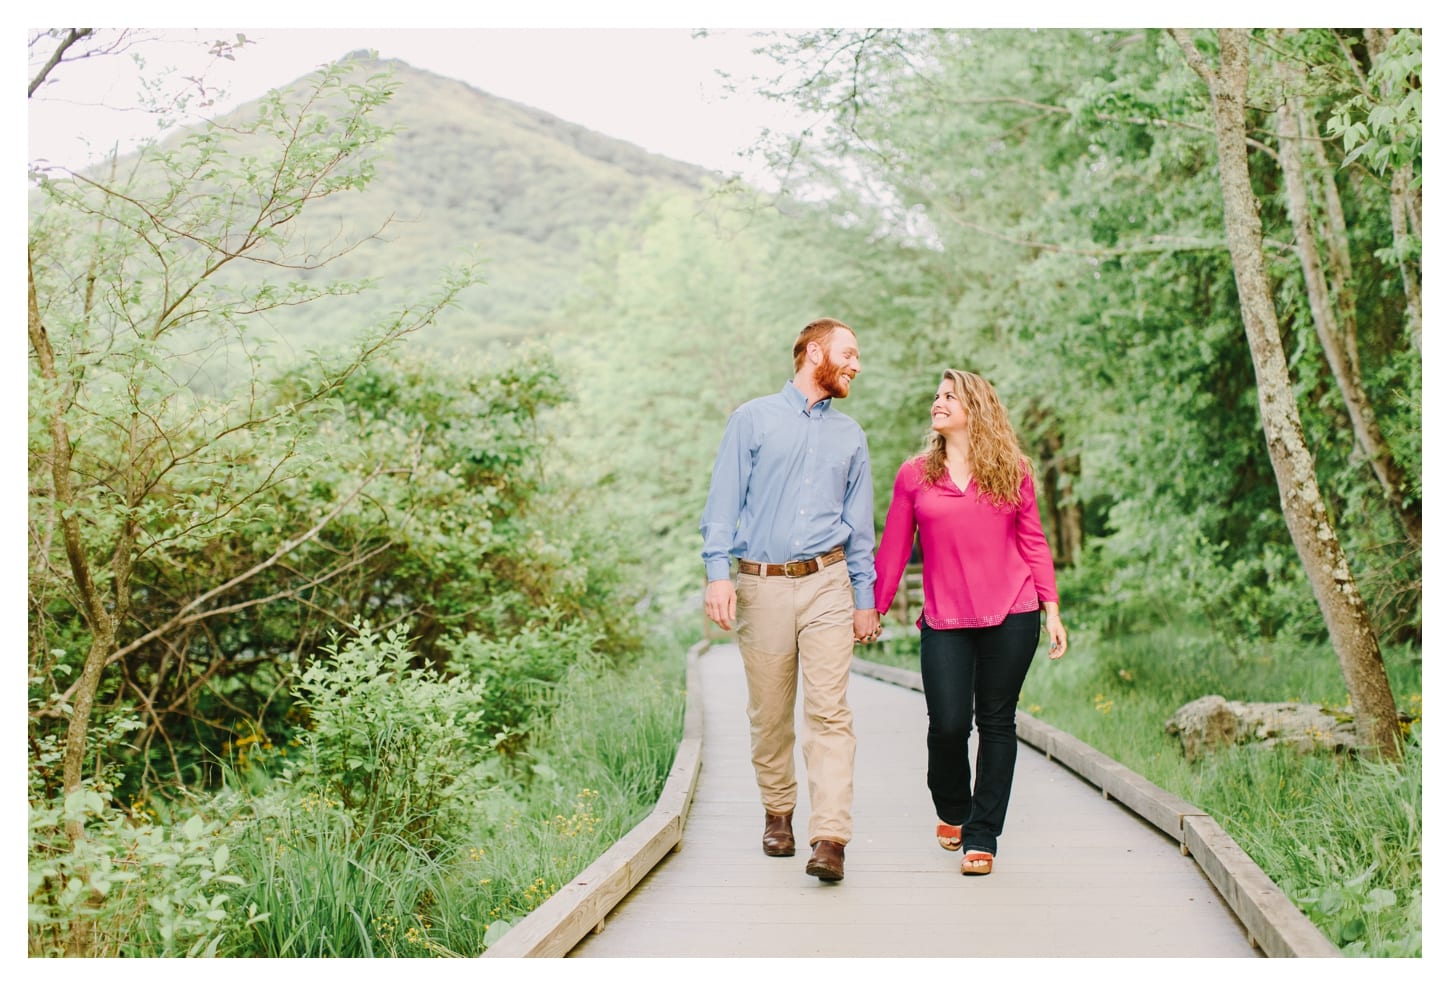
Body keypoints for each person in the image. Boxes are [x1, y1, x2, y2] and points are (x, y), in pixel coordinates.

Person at [700, 317, 882, 883]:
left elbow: (859, 527)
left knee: (830, 712)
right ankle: (778, 812)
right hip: (761, 583)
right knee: (770, 714)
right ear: (812, 351)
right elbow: (723, 501)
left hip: (828, 582)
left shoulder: (851, 435)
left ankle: (830, 837)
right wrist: (718, 572)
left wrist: (864, 596)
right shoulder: (751, 419)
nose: (856, 364)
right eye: (848, 353)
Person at [873, 368, 1068, 877]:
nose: (937, 403)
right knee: (949, 725)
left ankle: (982, 837)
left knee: (997, 722)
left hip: (1013, 610)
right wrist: (872, 607)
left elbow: (1033, 541)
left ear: (975, 408)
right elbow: (894, 548)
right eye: (936, 395)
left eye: (949, 396)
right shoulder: (914, 474)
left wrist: (1051, 609)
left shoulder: (1013, 469)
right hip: (945, 617)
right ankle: (953, 807)